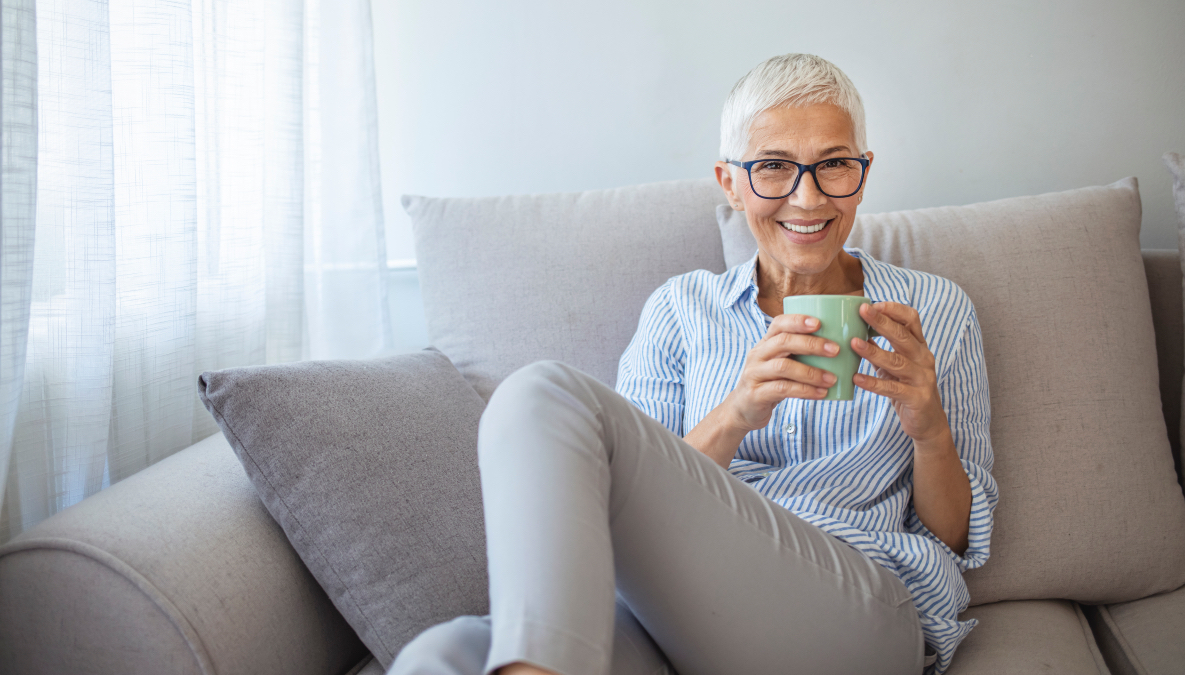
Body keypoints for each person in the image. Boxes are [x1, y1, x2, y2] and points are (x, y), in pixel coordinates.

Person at [389, 53, 998, 675]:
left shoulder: (932, 310)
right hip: (684, 624)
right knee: (441, 656)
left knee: (545, 392)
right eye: (772, 167)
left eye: (834, 164)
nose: (807, 196)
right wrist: (736, 413)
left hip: (856, 614)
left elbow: (953, 539)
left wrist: (929, 428)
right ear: (729, 182)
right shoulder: (681, 310)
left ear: (862, 174)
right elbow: (627, 509)